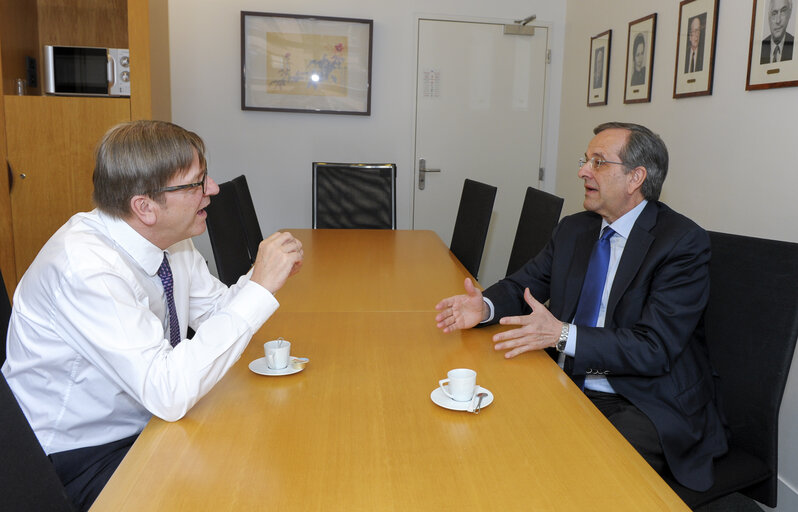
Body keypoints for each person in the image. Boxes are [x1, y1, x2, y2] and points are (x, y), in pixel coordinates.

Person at [1, 120, 304, 511]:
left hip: (146, 421)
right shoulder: (86, 268)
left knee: (266, 455)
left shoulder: (167, 240)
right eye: (196, 183)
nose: (212, 190)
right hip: (77, 457)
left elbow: (214, 311)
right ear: (144, 207)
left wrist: (260, 281)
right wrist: (259, 288)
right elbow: (168, 391)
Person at [434, 122, 728, 492]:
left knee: (577, 478)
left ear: (636, 177)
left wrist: (561, 335)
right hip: (569, 379)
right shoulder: (574, 229)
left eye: (599, 162)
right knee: (487, 440)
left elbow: (654, 349)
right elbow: (524, 284)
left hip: (643, 398)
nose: (582, 171)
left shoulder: (682, 243)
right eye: (585, 160)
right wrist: (487, 307)